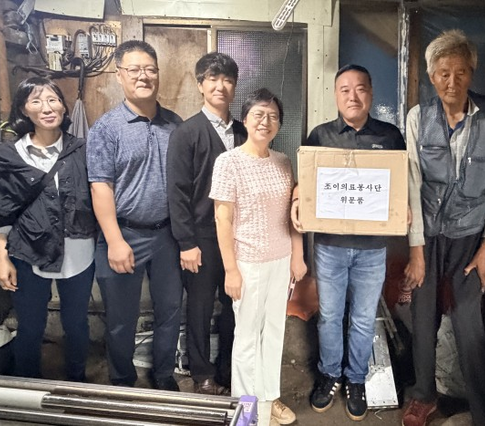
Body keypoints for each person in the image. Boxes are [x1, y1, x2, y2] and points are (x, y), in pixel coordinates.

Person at [400, 29, 485, 426]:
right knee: (422, 318)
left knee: (468, 324)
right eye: (443, 72)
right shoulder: (419, 117)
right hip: (427, 235)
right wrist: (416, 251)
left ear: (471, 74)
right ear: (432, 76)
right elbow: (412, 185)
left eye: (460, 72)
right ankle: (423, 396)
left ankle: (482, 410)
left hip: (469, 237)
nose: (452, 81)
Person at [291, 64, 406, 421]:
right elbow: (306, 183)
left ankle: (356, 379)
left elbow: (400, 183)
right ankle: (330, 375)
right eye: (345, 89)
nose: (353, 96)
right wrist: (297, 202)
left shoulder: (390, 136)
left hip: (373, 249)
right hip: (329, 247)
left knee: (363, 318)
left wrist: (403, 206)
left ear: (370, 92)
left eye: (360, 89)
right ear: (335, 95)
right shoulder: (320, 135)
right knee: (329, 316)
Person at [0, 77, 96, 381]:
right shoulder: (9, 154)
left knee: (77, 324)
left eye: (53, 100)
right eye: (36, 101)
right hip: (28, 252)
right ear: (23, 109)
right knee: (30, 326)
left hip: (79, 253)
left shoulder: (82, 150)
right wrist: (2, 259)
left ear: (64, 107)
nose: (47, 108)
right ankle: (27, 384)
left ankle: (77, 382)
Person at [86, 40, 183, 390]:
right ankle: (123, 380)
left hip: (168, 236)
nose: (144, 76)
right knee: (120, 318)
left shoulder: (175, 124)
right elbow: (100, 187)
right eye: (135, 69)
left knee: (170, 310)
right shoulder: (106, 128)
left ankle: (163, 375)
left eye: (150, 69)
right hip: (123, 234)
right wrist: (114, 240)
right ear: (119, 75)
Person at [211, 88, 306, 426]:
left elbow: (293, 215)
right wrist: (230, 270)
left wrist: (298, 256)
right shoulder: (229, 162)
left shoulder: (283, 161)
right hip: (247, 262)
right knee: (247, 338)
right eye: (259, 115)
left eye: (273, 116)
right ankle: (247, 412)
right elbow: (222, 219)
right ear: (245, 120)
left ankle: (268, 401)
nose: (266, 122)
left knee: (274, 332)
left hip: (281, 261)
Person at [167, 52, 243, 396]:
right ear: (200, 85)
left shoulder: (243, 131)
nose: (220, 86)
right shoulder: (186, 133)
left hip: (238, 237)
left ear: (235, 86)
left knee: (234, 306)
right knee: (198, 307)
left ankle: (228, 369)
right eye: (212, 79)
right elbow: (177, 192)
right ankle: (202, 374)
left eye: (227, 79)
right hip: (201, 236)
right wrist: (186, 243)